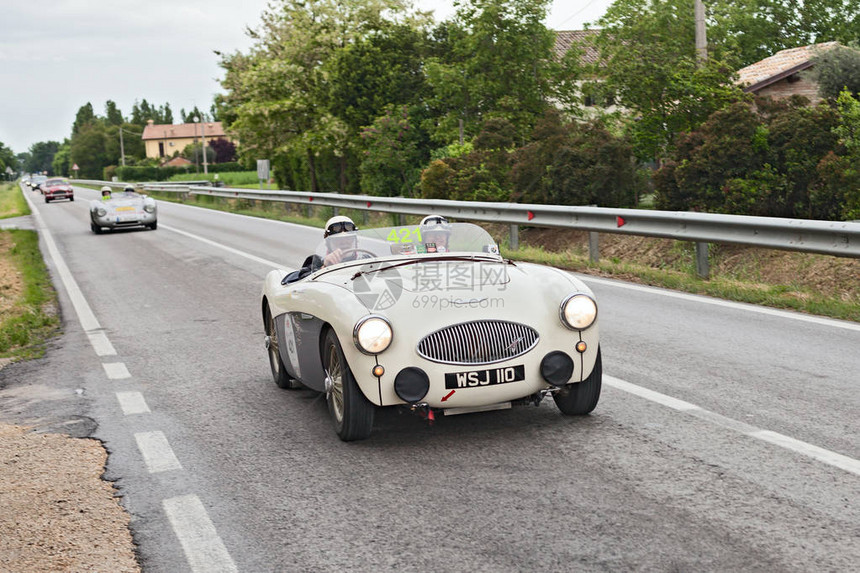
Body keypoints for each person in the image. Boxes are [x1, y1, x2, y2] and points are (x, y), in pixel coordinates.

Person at [282, 216, 359, 284]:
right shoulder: (316, 262)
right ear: (328, 242)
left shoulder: (365, 259)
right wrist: (324, 267)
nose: (344, 242)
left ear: (355, 240)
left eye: (349, 238)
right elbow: (303, 280)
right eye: (338, 239)